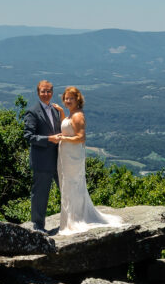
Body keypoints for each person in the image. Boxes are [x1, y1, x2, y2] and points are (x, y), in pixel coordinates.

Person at [50, 86, 124, 236]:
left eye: (71, 98)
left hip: (73, 155)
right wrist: (62, 113)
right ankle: (71, 217)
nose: (68, 100)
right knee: (68, 183)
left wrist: (61, 138)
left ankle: (74, 219)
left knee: (72, 183)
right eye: (66, 98)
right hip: (66, 154)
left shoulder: (78, 116)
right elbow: (68, 127)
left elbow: (81, 137)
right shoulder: (71, 115)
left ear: (78, 99)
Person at [23, 80, 61, 232]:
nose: (46, 94)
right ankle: (38, 227)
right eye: (43, 91)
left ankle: (71, 220)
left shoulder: (55, 110)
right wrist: (48, 139)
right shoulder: (32, 112)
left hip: (58, 160)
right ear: (38, 93)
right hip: (42, 161)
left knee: (66, 191)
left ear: (52, 92)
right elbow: (28, 136)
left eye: (49, 91)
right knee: (40, 196)